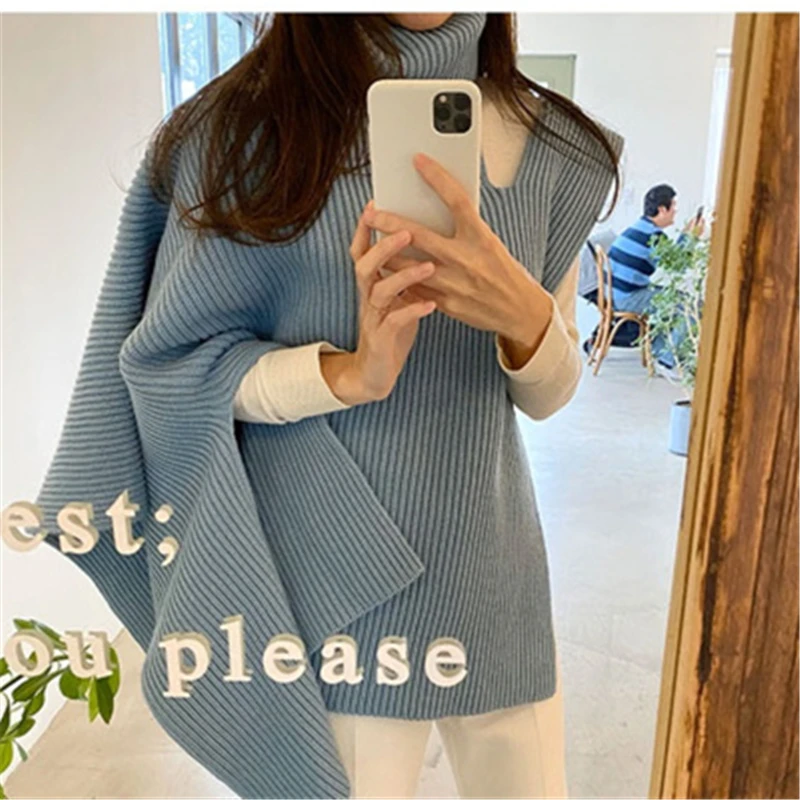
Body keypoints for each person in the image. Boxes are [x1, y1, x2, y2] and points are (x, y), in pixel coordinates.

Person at [33, 13, 623, 799]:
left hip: (492, 568)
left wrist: (524, 318)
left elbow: (548, 395)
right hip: (336, 581)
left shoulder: (552, 145)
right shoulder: (244, 132)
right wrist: (351, 373)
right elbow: (175, 367)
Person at [606, 183, 705, 375]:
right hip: (628, 298)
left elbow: (672, 258)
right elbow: (678, 266)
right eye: (673, 206)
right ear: (662, 209)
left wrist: (685, 236)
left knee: (674, 299)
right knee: (689, 306)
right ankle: (665, 361)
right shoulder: (653, 236)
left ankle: (659, 352)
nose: (675, 211)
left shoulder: (640, 228)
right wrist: (692, 237)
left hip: (618, 294)